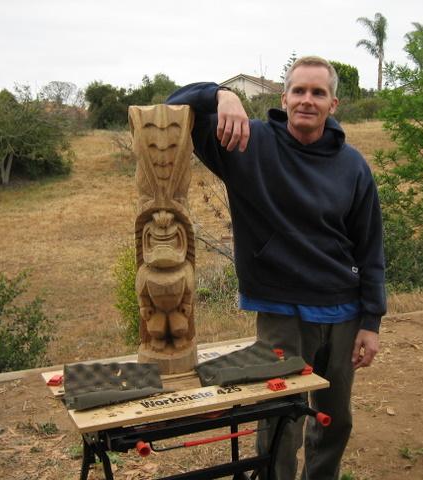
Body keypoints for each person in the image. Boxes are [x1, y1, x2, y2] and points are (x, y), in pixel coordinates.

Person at [167, 56, 386, 480]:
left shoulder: (353, 166)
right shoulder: (247, 143)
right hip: (282, 311)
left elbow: (370, 247)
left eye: (318, 93)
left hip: (343, 312)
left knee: (336, 420)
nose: (307, 100)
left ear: (333, 104)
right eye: (298, 91)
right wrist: (221, 94)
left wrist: (371, 321)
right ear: (283, 98)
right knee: (280, 420)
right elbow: (173, 105)